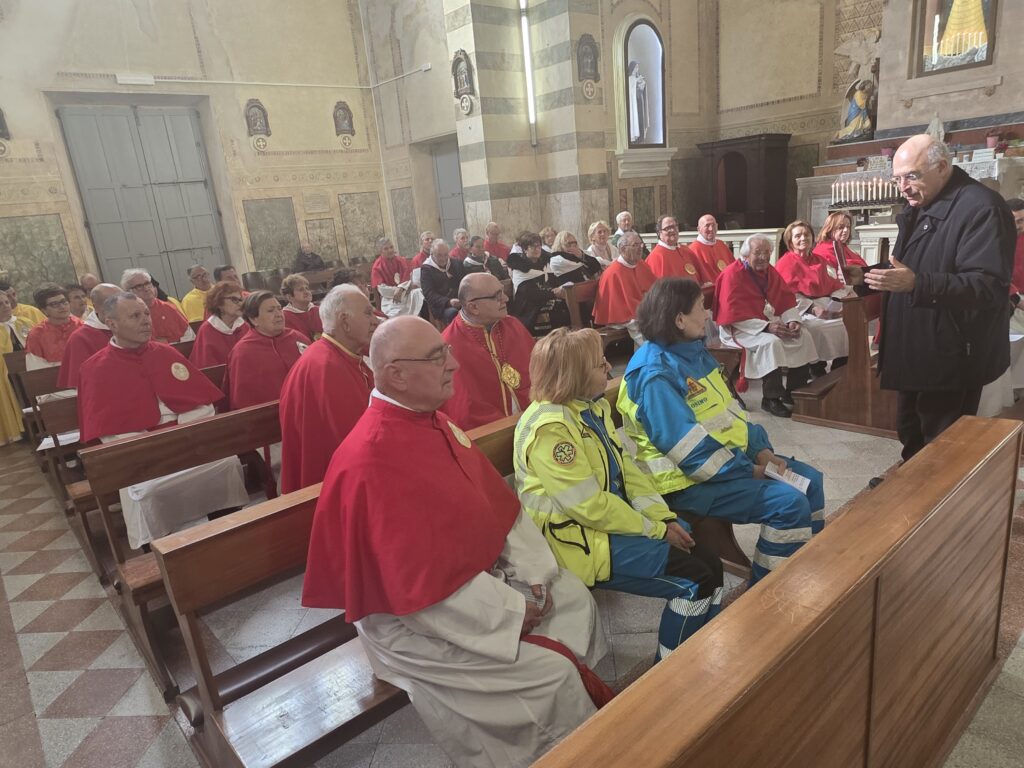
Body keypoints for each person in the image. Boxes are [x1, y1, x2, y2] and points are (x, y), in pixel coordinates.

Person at [301, 315, 608, 768]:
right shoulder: (372, 460)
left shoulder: (432, 421)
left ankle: (591, 725)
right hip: (413, 620)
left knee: (573, 598)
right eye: (436, 356)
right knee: (549, 675)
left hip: (469, 586)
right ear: (396, 374)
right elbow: (417, 587)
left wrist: (533, 575)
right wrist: (510, 611)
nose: (454, 365)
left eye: (445, 351)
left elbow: (497, 509)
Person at [516, 327, 723, 658]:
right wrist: (656, 531)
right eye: (600, 365)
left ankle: (706, 646)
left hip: (607, 524)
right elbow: (589, 506)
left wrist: (663, 518)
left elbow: (627, 471)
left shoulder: (591, 407)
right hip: (576, 542)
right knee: (695, 580)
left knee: (711, 562)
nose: (609, 368)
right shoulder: (551, 429)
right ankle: (672, 669)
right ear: (574, 375)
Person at [617, 277, 825, 583]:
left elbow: (731, 416)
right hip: (684, 483)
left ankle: (810, 564)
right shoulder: (655, 374)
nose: (707, 315)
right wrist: (751, 471)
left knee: (811, 481)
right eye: (701, 307)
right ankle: (769, 590)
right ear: (679, 320)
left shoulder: (692, 352)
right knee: (789, 503)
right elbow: (688, 451)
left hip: (725, 465)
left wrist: (761, 451)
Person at [857, 134, 1014, 462]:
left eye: (911, 176)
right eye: (897, 179)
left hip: (951, 353)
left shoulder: (982, 208)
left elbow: (987, 286)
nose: (902, 187)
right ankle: (910, 482)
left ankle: (931, 491)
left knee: (942, 448)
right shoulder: (921, 202)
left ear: (942, 167)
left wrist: (918, 284)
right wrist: (867, 277)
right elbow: (914, 265)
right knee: (911, 432)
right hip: (916, 346)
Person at [78, 293, 248, 548]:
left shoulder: (166, 353)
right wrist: (157, 446)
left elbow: (202, 402)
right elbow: (108, 432)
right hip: (140, 455)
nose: (146, 320)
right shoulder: (95, 368)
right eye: (135, 316)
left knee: (227, 464)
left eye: (146, 314)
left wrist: (182, 435)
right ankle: (163, 550)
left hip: (188, 441)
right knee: (146, 492)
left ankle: (229, 536)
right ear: (111, 323)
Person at [279, 285, 379, 493]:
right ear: (345, 321)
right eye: (368, 313)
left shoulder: (339, 354)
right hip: (332, 481)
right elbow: (353, 439)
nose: (375, 321)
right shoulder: (326, 368)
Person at [714, 234, 819, 417]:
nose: (763, 257)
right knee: (771, 343)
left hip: (762, 320)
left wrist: (792, 320)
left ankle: (795, 392)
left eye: (766, 252)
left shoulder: (768, 271)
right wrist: (767, 327)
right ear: (746, 255)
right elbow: (732, 314)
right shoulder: (732, 274)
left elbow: (784, 298)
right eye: (758, 253)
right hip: (739, 328)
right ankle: (771, 399)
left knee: (803, 336)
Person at [441, 272, 534, 430]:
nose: (506, 299)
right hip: (490, 432)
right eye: (497, 296)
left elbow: (541, 372)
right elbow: (463, 409)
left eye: (503, 292)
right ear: (474, 307)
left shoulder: (513, 325)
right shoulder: (449, 344)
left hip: (533, 418)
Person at [775, 220, 850, 374]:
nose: (803, 238)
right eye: (798, 236)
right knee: (817, 329)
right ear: (790, 241)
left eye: (806, 234)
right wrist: (813, 308)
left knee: (848, 324)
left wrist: (836, 303)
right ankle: (816, 367)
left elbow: (835, 285)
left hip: (825, 304)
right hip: (800, 309)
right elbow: (786, 295)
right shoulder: (785, 263)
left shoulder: (820, 260)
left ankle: (840, 369)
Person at [225, 290, 310, 409]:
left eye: (279, 309)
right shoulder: (242, 353)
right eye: (270, 311)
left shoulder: (298, 338)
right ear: (254, 319)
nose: (278, 314)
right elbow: (243, 401)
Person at [593, 231, 656, 346]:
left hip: (640, 310)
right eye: (635, 245)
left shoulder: (641, 265)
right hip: (621, 317)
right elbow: (617, 306)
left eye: (640, 244)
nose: (640, 248)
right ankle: (649, 354)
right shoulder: (613, 273)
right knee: (643, 324)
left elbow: (654, 289)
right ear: (622, 249)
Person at [57, 283, 120, 390]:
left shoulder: (133, 327)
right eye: (113, 304)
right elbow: (84, 383)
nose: (121, 308)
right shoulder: (80, 338)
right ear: (96, 307)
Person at [508, 231, 569, 335]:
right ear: (525, 249)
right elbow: (528, 292)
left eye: (539, 246)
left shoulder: (544, 264)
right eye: (533, 247)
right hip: (527, 307)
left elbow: (554, 282)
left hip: (546, 298)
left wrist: (560, 289)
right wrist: (553, 293)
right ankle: (550, 339)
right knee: (554, 308)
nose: (537, 249)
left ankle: (565, 336)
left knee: (566, 303)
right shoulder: (520, 267)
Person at [646, 215, 715, 305]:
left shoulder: (686, 250)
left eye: (674, 226)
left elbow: (704, 279)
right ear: (659, 233)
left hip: (696, 300)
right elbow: (660, 293)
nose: (672, 230)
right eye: (668, 228)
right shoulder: (656, 257)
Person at [121, 268, 194, 344]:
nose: (146, 288)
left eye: (147, 283)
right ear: (128, 292)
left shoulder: (168, 307)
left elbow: (189, 337)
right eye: (139, 286)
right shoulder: (126, 315)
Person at [188, 281, 248, 368]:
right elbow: (208, 369)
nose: (240, 304)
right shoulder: (207, 331)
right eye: (234, 299)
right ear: (219, 303)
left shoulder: (245, 326)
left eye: (241, 299)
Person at [25, 284, 83, 370]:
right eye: (54, 304)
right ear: (44, 310)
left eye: (64, 301)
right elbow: (36, 372)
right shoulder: (36, 335)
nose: (62, 306)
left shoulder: (82, 326)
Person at [370, 236, 424, 318]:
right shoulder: (377, 267)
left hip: (406, 293)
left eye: (391, 247)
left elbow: (410, 278)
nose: (390, 250)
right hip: (390, 298)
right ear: (381, 251)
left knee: (419, 292)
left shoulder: (401, 260)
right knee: (395, 315)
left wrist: (401, 288)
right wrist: (398, 290)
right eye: (386, 249)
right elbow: (382, 289)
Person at [420, 238, 466, 325]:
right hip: (441, 306)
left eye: (445, 255)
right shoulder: (426, 269)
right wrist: (449, 302)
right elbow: (429, 294)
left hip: (460, 301)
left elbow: (465, 283)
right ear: (432, 254)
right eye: (439, 255)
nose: (443, 258)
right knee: (454, 313)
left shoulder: (456, 263)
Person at [0, 293, 25, 445]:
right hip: (7, 377)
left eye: (6, 302)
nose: (5, 306)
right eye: (0, 304)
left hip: (29, 371)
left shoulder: (24, 322)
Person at [813, 212, 867, 278]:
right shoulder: (821, 252)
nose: (846, 230)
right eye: (841, 227)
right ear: (829, 229)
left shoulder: (845, 248)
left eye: (848, 227)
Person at [689, 214, 735, 279]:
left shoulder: (721, 244)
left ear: (717, 226)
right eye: (707, 225)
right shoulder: (693, 249)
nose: (711, 229)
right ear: (699, 229)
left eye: (713, 225)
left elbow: (733, 267)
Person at [280, 274, 323, 340]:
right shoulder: (284, 317)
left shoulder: (320, 310)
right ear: (289, 297)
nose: (306, 292)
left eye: (307, 288)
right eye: (301, 289)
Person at [1005, 198, 1024, 333]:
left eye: (1021, 221)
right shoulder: (992, 240)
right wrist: (1017, 300)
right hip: (1008, 300)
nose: (1016, 226)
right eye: (1012, 220)